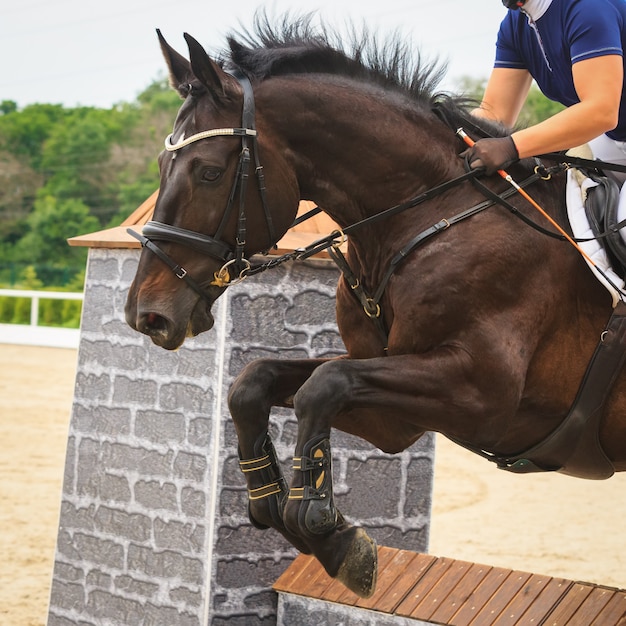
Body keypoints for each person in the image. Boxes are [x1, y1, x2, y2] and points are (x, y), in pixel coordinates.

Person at [464, 0, 626, 189]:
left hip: (608, 129)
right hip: (612, 139)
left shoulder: (588, 8)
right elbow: (494, 115)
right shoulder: (515, 24)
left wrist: (512, 146)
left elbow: (601, 112)